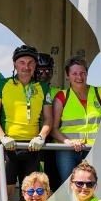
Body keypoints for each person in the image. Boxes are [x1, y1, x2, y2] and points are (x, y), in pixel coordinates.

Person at [0, 45, 53, 198]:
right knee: (7, 193)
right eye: (22, 62)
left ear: (35, 65)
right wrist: (3, 137)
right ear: (14, 64)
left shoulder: (42, 87)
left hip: (33, 147)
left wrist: (41, 137)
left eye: (31, 63)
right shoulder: (3, 84)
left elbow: (49, 117)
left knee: (32, 192)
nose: (26, 67)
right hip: (10, 146)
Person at [51, 55, 101, 182]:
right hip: (68, 151)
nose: (79, 77)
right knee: (69, 186)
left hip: (94, 149)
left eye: (82, 72)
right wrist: (68, 142)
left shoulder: (100, 93)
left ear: (87, 74)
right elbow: (53, 129)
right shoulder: (62, 96)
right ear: (67, 76)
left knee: (93, 186)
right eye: (74, 73)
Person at [35, 53, 62, 192]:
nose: (43, 75)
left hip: (53, 142)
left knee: (54, 179)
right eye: (40, 71)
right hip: (33, 140)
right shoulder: (30, 90)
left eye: (47, 71)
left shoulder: (58, 92)